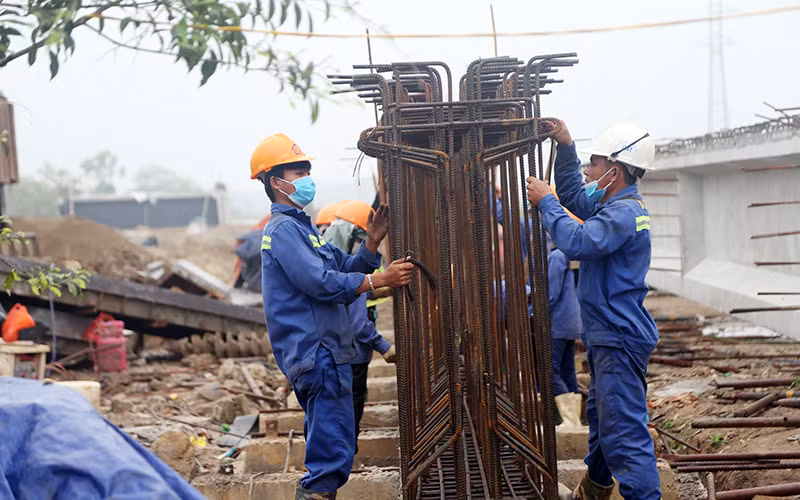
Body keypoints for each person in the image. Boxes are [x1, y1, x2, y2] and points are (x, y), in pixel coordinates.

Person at [250, 133, 413, 500]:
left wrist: (371, 244)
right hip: (317, 352)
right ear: (276, 182)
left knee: (333, 443)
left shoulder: (305, 230)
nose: (307, 178)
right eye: (298, 172)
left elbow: (346, 267)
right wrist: (377, 279)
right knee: (331, 451)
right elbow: (320, 283)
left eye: (307, 170)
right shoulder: (283, 231)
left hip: (327, 351)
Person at [526, 121, 660, 500]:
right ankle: (595, 489)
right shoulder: (612, 203)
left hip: (617, 337)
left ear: (614, 172)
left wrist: (546, 202)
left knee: (625, 434)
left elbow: (577, 241)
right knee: (604, 422)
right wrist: (565, 148)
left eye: (593, 163)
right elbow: (572, 195)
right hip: (609, 335)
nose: (587, 170)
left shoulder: (621, 215)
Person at [325, 199, 396, 450]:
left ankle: (341, 455)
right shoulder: (346, 275)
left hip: (343, 353)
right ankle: (344, 458)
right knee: (348, 411)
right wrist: (384, 346)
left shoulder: (333, 267)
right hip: (351, 355)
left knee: (336, 413)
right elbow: (357, 322)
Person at [546, 234, 583, 428]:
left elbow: (551, 294)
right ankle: (574, 420)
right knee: (568, 371)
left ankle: (569, 420)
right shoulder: (569, 255)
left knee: (550, 372)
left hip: (557, 323)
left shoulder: (556, 257)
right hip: (571, 322)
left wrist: (532, 311)